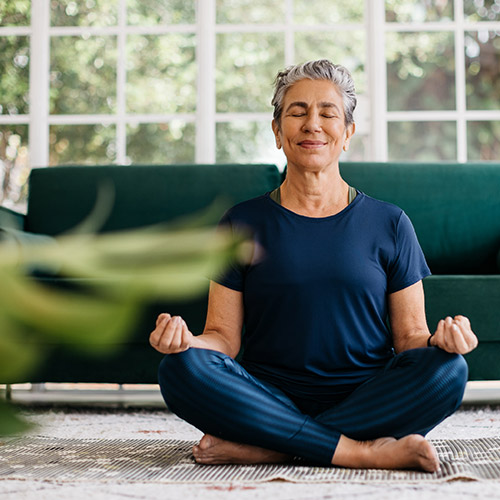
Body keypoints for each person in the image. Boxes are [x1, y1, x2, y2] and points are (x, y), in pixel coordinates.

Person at [149, 59, 478, 472]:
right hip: (266, 396)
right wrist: (185, 343)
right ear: (277, 131)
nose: (312, 124)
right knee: (179, 368)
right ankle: (358, 451)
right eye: (297, 112)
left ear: (347, 133)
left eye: (328, 113)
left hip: (367, 395)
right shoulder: (241, 222)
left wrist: (442, 342)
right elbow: (222, 338)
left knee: (449, 370)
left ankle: (274, 446)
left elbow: (411, 337)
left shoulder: (390, 222)